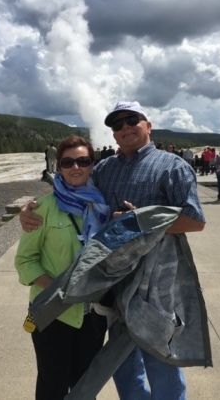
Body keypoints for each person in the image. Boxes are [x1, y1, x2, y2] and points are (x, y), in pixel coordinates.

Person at [20, 101, 206, 400]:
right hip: (112, 285)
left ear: (148, 125)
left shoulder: (172, 166)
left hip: (154, 283)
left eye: (132, 120)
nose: (124, 128)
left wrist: (140, 221)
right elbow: (72, 186)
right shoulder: (106, 169)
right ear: (114, 136)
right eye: (117, 125)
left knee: (159, 358)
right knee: (122, 365)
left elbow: (195, 221)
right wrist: (30, 208)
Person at [15, 135, 109, 400]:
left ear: (92, 164)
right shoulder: (42, 207)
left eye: (83, 160)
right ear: (59, 166)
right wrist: (61, 288)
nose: (75, 167)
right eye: (68, 162)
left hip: (93, 313)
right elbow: (25, 261)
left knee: (84, 385)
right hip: (53, 312)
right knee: (51, 383)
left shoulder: (102, 206)